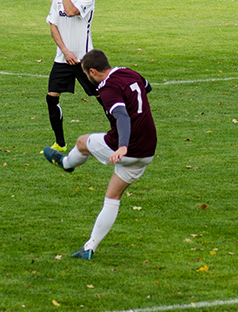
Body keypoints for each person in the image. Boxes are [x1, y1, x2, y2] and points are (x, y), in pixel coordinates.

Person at [43, 49, 156, 260]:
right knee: (112, 198)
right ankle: (89, 248)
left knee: (82, 142)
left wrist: (122, 146)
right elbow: (147, 87)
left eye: (87, 75)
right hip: (148, 150)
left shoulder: (107, 89)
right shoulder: (128, 72)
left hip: (125, 147)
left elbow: (121, 116)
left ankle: (67, 163)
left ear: (93, 71)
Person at [44, 0, 98, 154]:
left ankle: (122, 137)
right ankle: (60, 143)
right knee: (51, 97)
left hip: (85, 59)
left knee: (104, 98)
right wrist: (65, 51)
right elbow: (53, 26)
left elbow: (71, 11)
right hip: (63, 58)